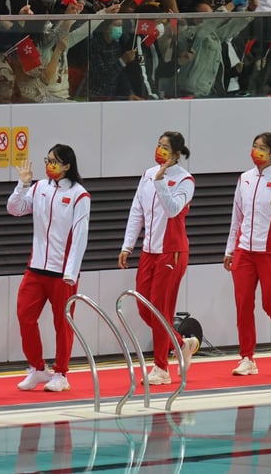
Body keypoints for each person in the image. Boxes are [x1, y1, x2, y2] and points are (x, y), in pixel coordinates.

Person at [7, 145, 91, 393]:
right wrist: (22, 185)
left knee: (62, 324)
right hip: (36, 268)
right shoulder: (39, 187)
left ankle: (61, 373)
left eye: (55, 161)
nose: (50, 164)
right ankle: (37, 367)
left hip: (62, 272)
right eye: (48, 160)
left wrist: (71, 272)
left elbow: (80, 235)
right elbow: (14, 209)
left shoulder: (79, 195)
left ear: (67, 165)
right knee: (24, 316)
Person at [119, 132, 199, 385]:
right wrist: (127, 245)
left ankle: (161, 368)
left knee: (161, 309)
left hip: (172, 252)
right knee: (145, 307)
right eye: (158, 145)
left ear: (176, 154)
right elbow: (137, 211)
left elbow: (173, 210)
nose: (160, 150)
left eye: (166, 148)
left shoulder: (185, 180)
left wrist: (161, 182)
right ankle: (181, 342)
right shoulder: (147, 174)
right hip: (149, 250)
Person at [223, 132, 271, 376]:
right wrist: (230, 250)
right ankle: (247, 358)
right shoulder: (244, 179)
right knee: (243, 303)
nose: (256, 150)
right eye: (254, 145)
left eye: (262, 148)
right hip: (244, 250)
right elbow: (237, 217)